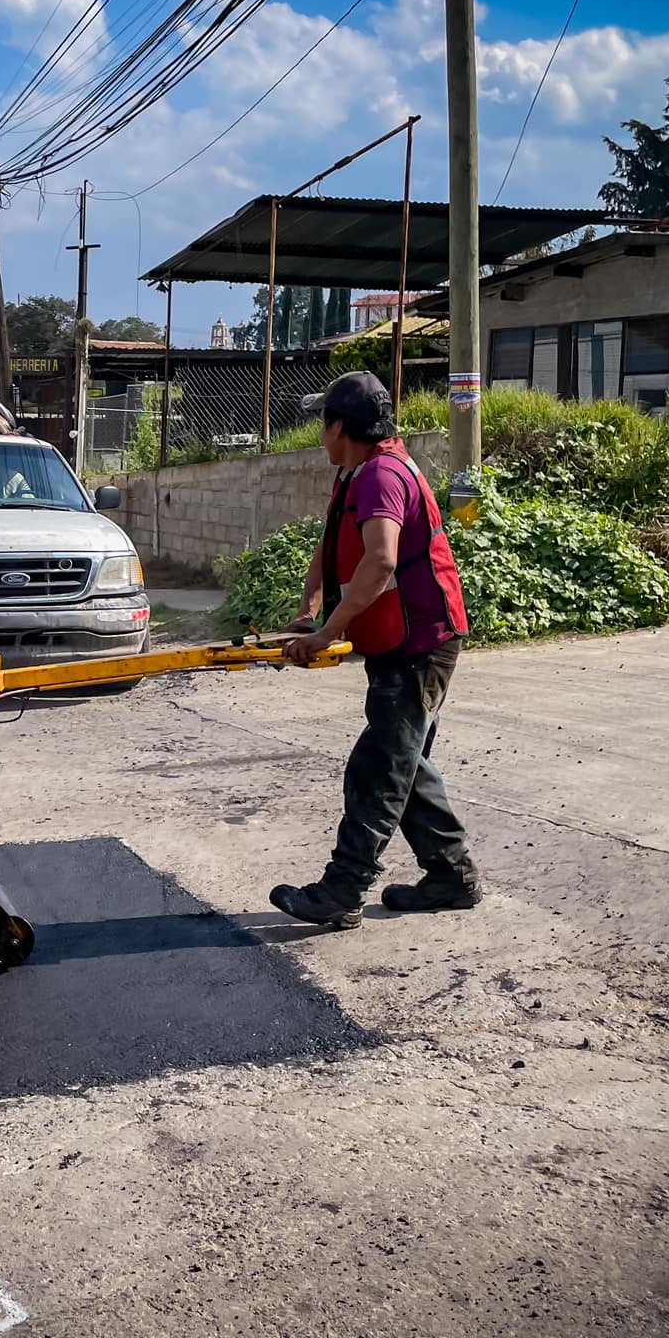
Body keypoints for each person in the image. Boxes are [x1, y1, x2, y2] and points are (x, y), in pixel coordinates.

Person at [272, 371, 481, 929]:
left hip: (421, 644)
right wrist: (307, 611)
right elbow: (331, 545)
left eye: (323, 422)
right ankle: (450, 877)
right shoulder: (358, 472)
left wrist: (326, 633)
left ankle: (343, 891)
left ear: (339, 426)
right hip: (406, 640)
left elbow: (381, 560)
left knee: (379, 768)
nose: (320, 433)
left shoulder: (382, 475)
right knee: (406, 764)